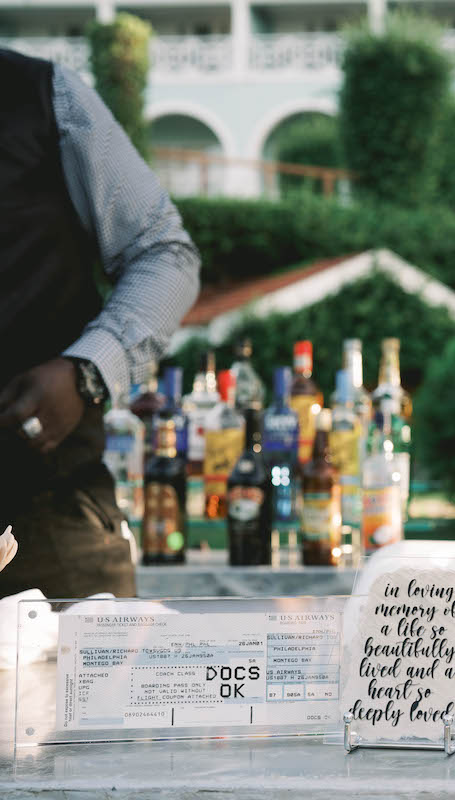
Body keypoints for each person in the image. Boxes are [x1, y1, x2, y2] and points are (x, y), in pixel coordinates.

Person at [0, 48, 200, 598]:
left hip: (46, 514)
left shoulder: (43, 95)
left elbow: (163, 253)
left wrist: (88, 369)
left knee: (98, 684)